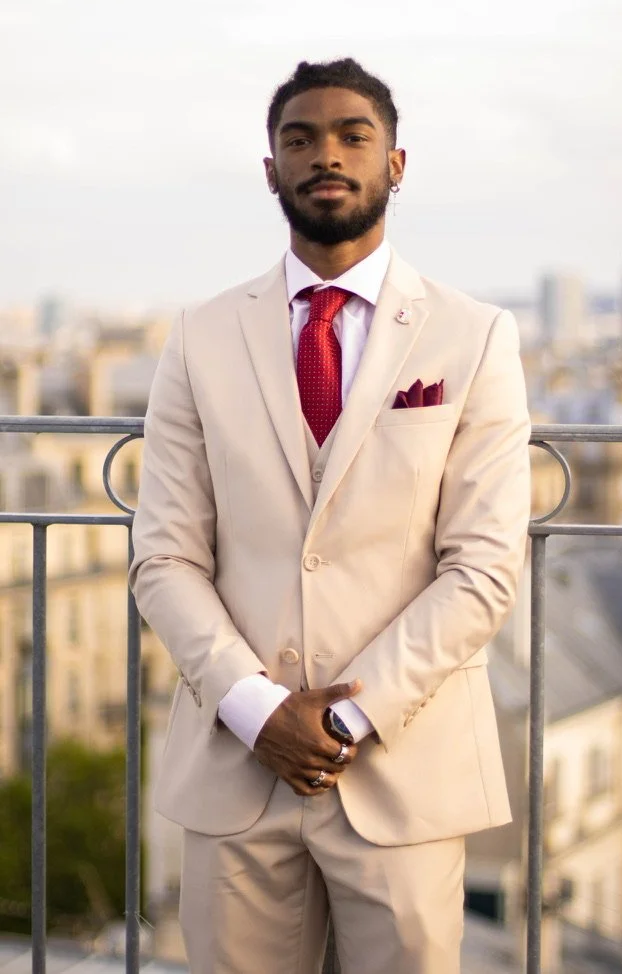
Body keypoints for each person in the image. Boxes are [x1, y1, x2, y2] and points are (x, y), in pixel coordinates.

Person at [129, 57, 532, 974]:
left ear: (396, 163)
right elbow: (164, 558)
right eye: (300, 139)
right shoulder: (199, 335)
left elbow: (482, 566)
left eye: (354, 136)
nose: (327, 156)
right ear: (270, 168)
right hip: (236, 767)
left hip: (402, 764)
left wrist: (345, 720)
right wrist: (255, 708)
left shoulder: (473, 336)